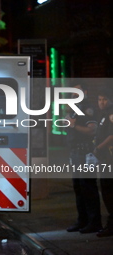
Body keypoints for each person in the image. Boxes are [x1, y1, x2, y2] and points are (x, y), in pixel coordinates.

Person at [66, 83, 102, 234]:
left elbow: (91, 131)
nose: (75, 94)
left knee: (88, 187)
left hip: (85, 153)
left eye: (78, 91)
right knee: (78, 188)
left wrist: (74, 126)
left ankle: (94, 222)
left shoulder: (88, 109)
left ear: (85, 92)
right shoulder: (74, 108)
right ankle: (82, 220)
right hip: (75, 152)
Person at [93, 89, 113, 237]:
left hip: (109, 158)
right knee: (106, 190)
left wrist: (98, 147)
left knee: (108, 190)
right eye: (100, 99)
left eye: (104, 99)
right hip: (104, 158)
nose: (102, 102)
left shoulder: (111, 115)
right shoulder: (103, 115)